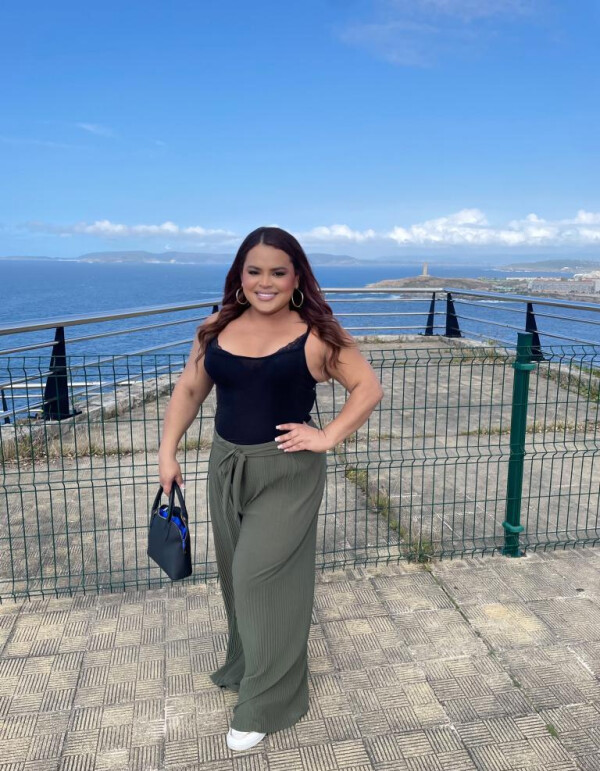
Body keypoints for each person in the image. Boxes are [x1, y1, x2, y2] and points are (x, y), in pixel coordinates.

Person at [158, 226, 384, 752]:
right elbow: (189, 389)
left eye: (278, 272)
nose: (265, 282)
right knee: (235, 576)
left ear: (296, 277)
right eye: (254, 271)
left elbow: (367, 387)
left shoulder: (317, 334)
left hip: (288, 472)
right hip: (225, 466)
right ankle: (248, 663)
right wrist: (168, 451)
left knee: (257, 576)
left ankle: (266, 702)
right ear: (239, 275)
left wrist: (327, 435)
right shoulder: (215, 328)